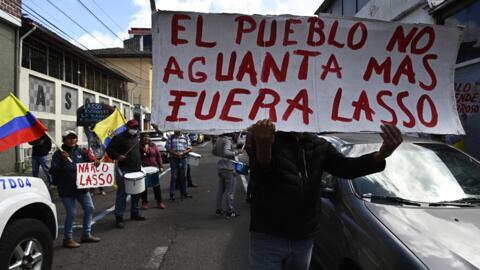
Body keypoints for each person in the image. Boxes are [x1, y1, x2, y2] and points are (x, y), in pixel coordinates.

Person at [248, 119, 403, 270]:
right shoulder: (266, 137)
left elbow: (346, 168)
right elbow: (259, 177)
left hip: (304, 238)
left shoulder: (319, 145)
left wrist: (380, 155)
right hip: (268, 236)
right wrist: (264, 147)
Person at [50, 130, 101, 248]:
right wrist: (63, 161)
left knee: (89, 208)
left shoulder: (81, 151)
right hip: (66, 188)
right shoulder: (58, 154)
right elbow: (52, 171)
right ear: (64, 140)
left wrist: (95, 162)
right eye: (69, 138)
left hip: (81, 187)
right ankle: (67, 239)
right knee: (72, 213)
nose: (72, 140)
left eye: (74, 137)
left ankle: (86, 234)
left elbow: (89, 164)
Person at [106, 119, 146, 229]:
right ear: (127, 127)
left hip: (136, 168)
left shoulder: (136, 136)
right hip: (124, 169)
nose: (134, 129)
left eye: (136, 127)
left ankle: (135, 213)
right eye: (132, 127)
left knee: (136, 192)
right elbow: (109, 149)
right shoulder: (119, 137)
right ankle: (119, 217)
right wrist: (117, 156)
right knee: (122, 194)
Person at [214, 133, 240, 219]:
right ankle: (230, 211)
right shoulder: (227, 140)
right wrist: (237, 152)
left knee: (220, 190)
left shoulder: (218, 139)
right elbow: (226, 152)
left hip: (220, 167)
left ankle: (219, 209)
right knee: (230, 191)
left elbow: (214, 151)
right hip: (228, 168)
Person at [140, 133, 166, 209]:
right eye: (144, 137)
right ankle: (144, 202)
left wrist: (161, 166)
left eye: (147, 136)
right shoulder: (138, 146)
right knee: (144, 187)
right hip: (143, 169)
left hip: (154, 168)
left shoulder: (153, 145)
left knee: (156, 186)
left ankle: (159, 202)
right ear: (141, 138)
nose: (146, 138)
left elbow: (158, 156)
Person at [166, 131, 193, 201]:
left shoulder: (186, 137)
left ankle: (184, 192)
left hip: (184, 159)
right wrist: (176, 154)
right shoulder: (170, 137)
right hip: (174, 159)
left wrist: (183, 153)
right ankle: (172, 194)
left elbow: (190, 148)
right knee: (174, 176)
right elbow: (168, 148)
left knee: (184, 176)